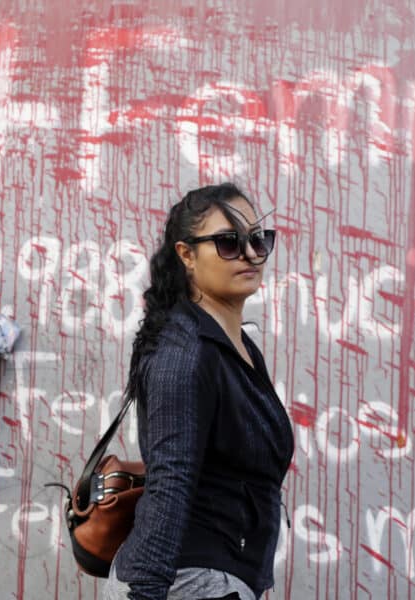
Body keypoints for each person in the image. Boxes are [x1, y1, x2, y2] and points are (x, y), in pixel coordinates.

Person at [104, 183, 295, 600]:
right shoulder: (185, 352)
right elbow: (170, 484)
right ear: (186, 255)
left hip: (217, 579)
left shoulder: (238, 347)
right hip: (183, 582)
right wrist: (147, 595)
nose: (249, 253)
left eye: (256, 239)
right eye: (228, 242)